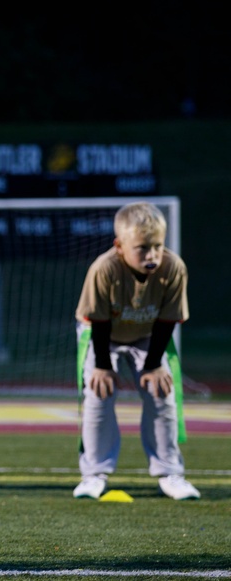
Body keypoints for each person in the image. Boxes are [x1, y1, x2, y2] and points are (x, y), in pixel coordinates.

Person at [73, 200, 198, 500]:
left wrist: (153, 365)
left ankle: (170, 473)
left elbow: (168, 321)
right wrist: (103, 366)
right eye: (142, 248)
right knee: (99, 394)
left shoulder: (174, 268)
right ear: (119, 246)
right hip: (102, 336)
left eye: (157, 246)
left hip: (148, 335)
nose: (152, 255)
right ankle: (94, 474)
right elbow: (98, 321)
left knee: (162, 392)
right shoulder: (104, 269)